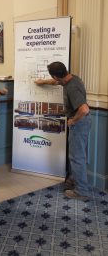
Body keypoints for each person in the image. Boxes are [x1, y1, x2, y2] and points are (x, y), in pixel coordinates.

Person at [35, 61, 91, 201]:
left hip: (79, 123)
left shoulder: (71, 87)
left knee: (76, 157)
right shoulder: (71, 79)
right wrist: (43, 82)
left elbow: (84, 109)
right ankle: (74, 180)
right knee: (78, 155)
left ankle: (81, 191)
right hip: (82, 123)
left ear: (55, 76)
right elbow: (56, 83)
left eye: (53, 77)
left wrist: (73, 121)